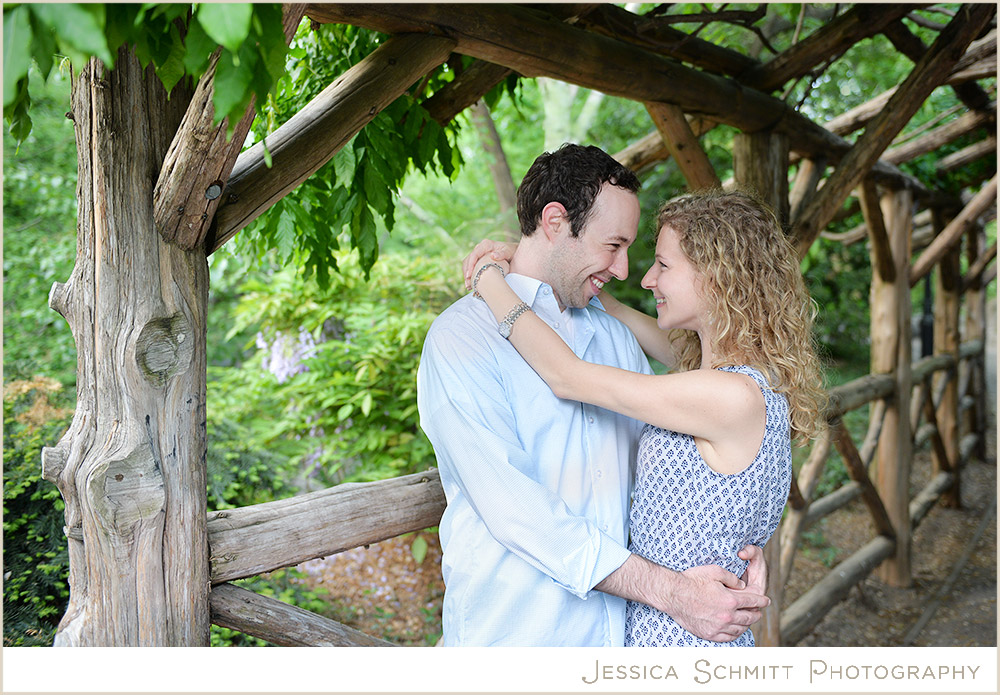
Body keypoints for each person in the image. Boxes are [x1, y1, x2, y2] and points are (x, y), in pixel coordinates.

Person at [417, 144, 769, 647]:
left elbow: (678, 473)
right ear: (556, 221)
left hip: (621, 640)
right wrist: (671, 592)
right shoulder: (463, 339)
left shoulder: (614, 338)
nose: (625, 271)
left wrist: (738, 546)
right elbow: (517, 510)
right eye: (614, 245)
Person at [465, 187, 826, 646]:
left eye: (664, 265)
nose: (647, 279)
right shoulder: (735, 376)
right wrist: (536, 259)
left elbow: (567, 376)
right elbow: (609, 305)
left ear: (717, 276)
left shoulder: (729, 396)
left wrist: (490, 279)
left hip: (682, 641)